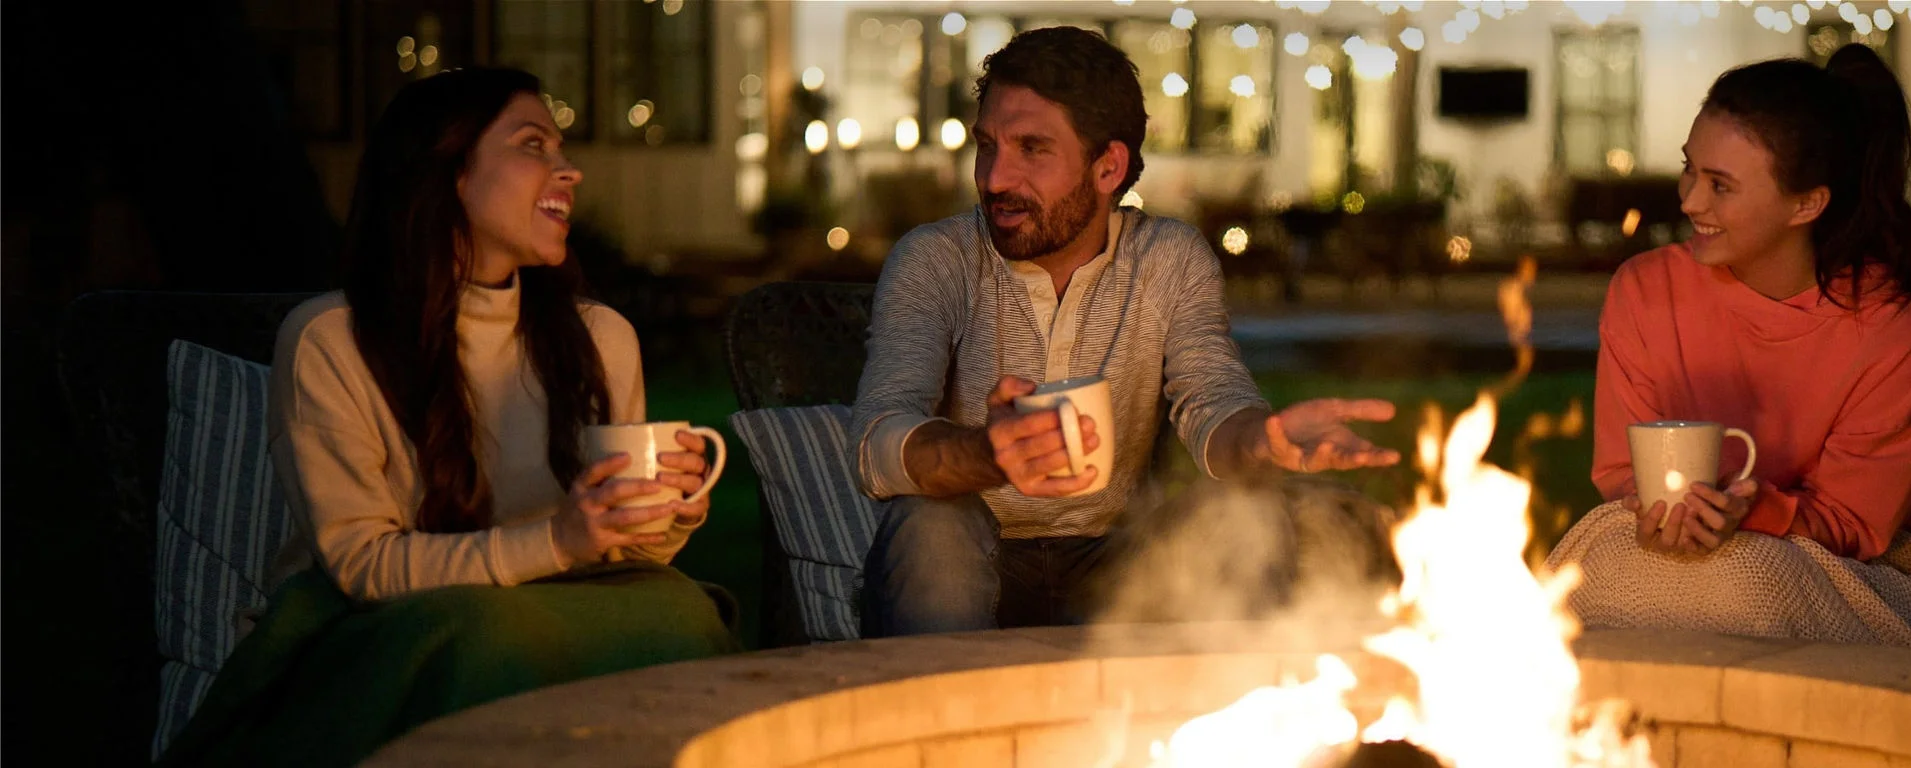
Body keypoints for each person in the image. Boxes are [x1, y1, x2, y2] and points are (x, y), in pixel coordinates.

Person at [160, 68, 739, 767]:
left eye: (563, 149)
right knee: (486, 634)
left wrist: (663, 510)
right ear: (449, 174)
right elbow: (360, 563)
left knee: (684, 613)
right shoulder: (331, 339)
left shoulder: (599, 337)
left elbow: (616, 554)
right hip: (376, 632)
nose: (570, 171)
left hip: (554, 609)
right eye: (535, 146)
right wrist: (556, 541)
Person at [853, 27, 1402, 638]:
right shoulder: (937, 258)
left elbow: (1213, 401)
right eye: (988, 145)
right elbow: (877, 438)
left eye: (1032, 148)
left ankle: (1218, 721)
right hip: (966, 555)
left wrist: (1262, 440)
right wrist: (985, 454)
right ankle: (933, 725)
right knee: (932, 527)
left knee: (1245, 515)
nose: (995, 177)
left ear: (1108, 166)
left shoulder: (1168, 259)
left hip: (1118, 570)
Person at [1545, 45, 1911, 657]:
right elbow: (1625, 470)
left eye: (1720, 186)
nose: (1688, 202)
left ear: (1807, 203)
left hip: (1838, 567)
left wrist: (1751, 514)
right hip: (1658, 544)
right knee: (1601, 587)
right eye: (1689, 170)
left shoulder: (1891, 337)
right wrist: (1664, 511)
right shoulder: (1646, 290)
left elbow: (1853, 523)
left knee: (1741, 585)